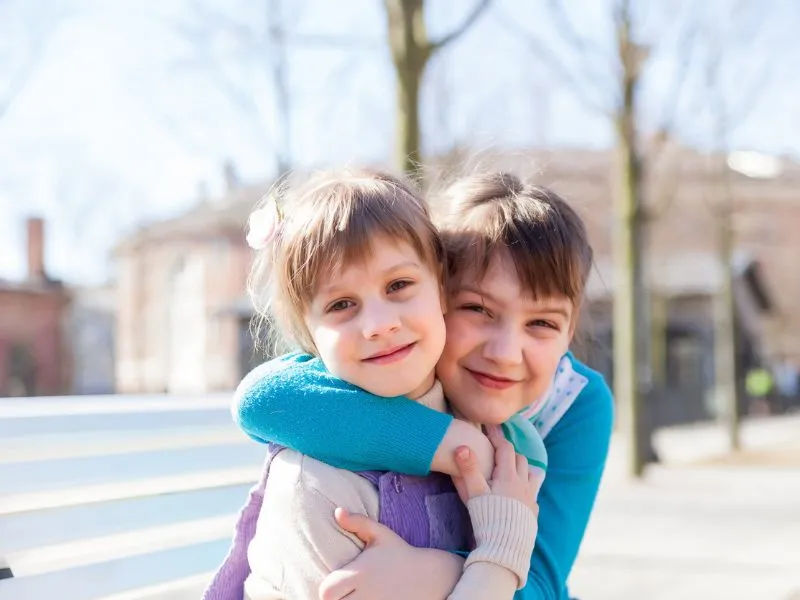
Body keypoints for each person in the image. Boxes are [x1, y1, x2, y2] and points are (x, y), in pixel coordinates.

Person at [223, 171, 614, 600]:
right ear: (441, 294)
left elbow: (544, 580)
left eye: (542, 323)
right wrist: (448, 442)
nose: (505, 352)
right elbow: (261, 400)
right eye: (478, 309)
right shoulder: (389, 371)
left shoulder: (574, 403)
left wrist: (434, 573)